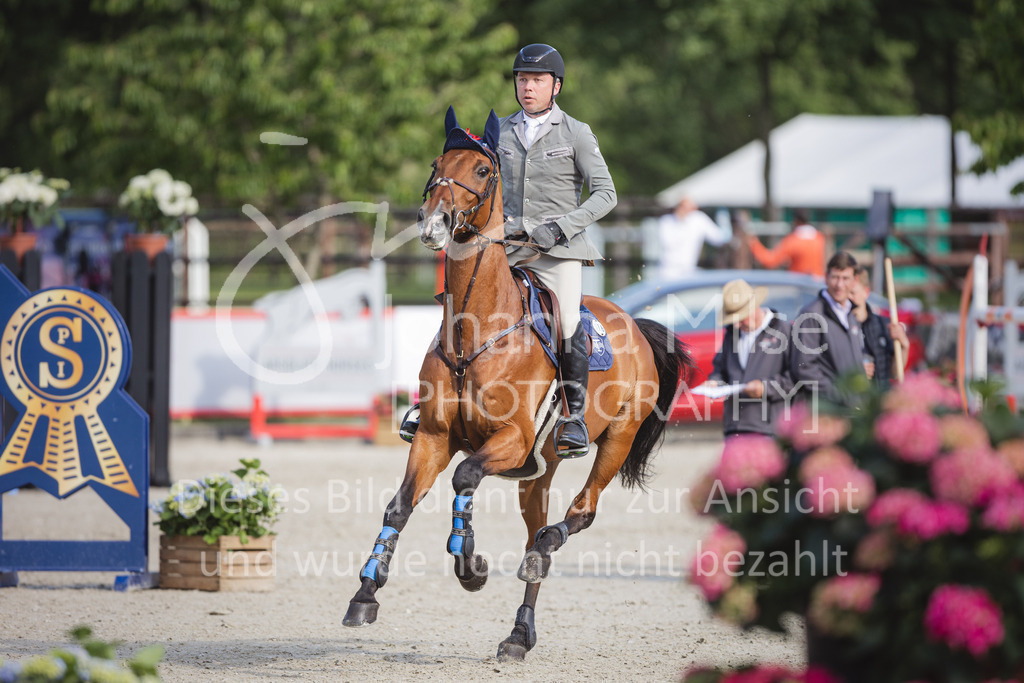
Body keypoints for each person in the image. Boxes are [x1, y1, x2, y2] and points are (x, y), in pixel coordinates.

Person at [402, 43, 617, 459]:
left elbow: (605, 194)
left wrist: (562, 226)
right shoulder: (498, 132)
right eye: (522, 79)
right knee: (458, 309)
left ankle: (572, 416)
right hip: (504, 246)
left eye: (537, 80)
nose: (528, 87)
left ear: (556, 86)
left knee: (568, 316)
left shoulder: (576, 132)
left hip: (558, 249)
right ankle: (427, 403)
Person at [704, 279, 794, 437]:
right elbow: (721, 369)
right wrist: (715, 382)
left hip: (771, 428)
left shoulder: (785, 332)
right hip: (734, 427)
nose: (737, 324)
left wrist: (765, 388)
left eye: (741, 317)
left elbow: (797, 377)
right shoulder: (731, 334)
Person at [790, 251, 865, 404]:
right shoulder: (811, 315)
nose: (839, 285)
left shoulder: (851, 314)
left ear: (855, 281)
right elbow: (804, 368)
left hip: (852, 408)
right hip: (827, 410)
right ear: (826, 277)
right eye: (835, 277)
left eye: (845, 278)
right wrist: (839, 395)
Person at [850, 264, 910, 387]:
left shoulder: (883, 325)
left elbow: (895, 373)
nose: (848, 298)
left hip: (879, 396)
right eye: (846, 293)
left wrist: (904, 347)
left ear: (866, 292)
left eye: (852, 293)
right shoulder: (838, 327)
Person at [657, 197, 731, 279]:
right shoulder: (666, 221)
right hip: (668, 271)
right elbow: (668, 243)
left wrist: (723, 218)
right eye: (683, 206)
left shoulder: (698, 219)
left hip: (689, 271)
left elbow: (718, 238)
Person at [748, 209, 826, 279]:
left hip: (799, 285)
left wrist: (754, 243)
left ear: (796, 221)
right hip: (817, 284)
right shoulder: (819, 238)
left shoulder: (793, 241)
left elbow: (770, 261)